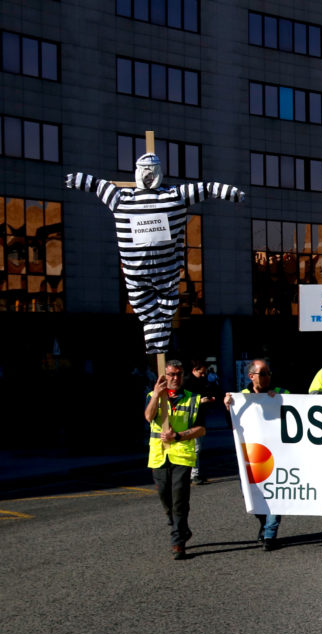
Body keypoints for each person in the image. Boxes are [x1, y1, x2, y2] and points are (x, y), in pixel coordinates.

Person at [65, 154, 245, 353]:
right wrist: (230, 193)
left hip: (150, 272)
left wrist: (229, 192)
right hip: (155, 272)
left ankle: (157, 342)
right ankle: (157, 342)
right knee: (158, 301)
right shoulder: (144, 197)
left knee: (154, 302)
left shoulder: (134, 197)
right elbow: (206, 188)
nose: (149, 176)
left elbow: (99, 186)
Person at [144, 360, 206, 560]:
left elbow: (201, 429)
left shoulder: (193, 399)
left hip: (182, 456)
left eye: (178, 374)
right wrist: (156, 394)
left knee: (179, 498)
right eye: (171, 374)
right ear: (164, 375)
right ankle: (180, 527)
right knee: (165, 498)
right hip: (159, 456)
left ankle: (178, 541)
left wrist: (177, 436)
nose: (175, 378)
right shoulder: (153, 396)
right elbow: (148, 416)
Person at [225, 359, 288, 550]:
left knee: (275, 492)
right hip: (253, 455)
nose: (267, 377)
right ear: (251, 376)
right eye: (263, 374)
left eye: (269, 373)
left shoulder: (281, 392)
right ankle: (263, 522)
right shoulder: (241, 396)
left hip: (278, 453)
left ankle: (270, 533)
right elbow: (233, 425)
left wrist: (279, 400)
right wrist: (228, 407)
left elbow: (296, 408)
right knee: (252, 494)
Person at [183, 359, 218, 485]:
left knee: (196, 447)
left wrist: (209, 398)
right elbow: (183, 401)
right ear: (194, 370)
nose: (203, 375)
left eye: (204, 373)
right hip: (191, 420)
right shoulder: (187, 383)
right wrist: (200, 401)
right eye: (201, 373)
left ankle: (193, 473)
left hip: (198, 418)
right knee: (196, 447)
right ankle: (194, 474)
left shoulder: (201, 381)